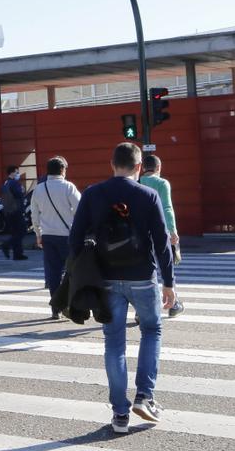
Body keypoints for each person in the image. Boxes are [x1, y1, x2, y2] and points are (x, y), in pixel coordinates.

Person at [68, 142, 175, 435]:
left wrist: (81, 275)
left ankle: (119, 414)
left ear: (111, 164)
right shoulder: (149, 195)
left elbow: (75, 239)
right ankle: (145, 396)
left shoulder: (92, 194)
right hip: (143, 276)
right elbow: (162, 243)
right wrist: (169, 282)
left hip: (106, 278)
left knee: (113, 342)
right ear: (139, 167)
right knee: (151, 330)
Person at [30, 156, 82, 319]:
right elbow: (80, 209)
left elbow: (34, 215)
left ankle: (56, 308)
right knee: (72, 271)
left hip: (48, 236)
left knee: (53, 273)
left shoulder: (39, 189)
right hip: (67, 236)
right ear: (63, 170)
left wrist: (38, 234)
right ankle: (69, 303)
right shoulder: (68, 187)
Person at [139, 155, 185, 317]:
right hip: (160, 230)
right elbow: (167, 207)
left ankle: (141, 309)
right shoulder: (162, 183)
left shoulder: (138, 183)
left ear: (143, 168)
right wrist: (173, 231)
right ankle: (174, 304)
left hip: (141, 232)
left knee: (146, 269)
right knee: (166, 266)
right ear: (158, 167)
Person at [0, 166, 29, 260]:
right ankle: (6, 245)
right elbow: (19, 194)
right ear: (11, 173)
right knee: (22, 231)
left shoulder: (5, 183)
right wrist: (23, 190)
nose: (18, 174)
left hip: (8, 211)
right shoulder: (14, 183)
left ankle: (17, 254)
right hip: (17, 211)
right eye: (16, 172)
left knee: (16, 233)